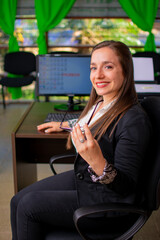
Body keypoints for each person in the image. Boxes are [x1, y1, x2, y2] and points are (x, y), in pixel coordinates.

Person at [10, 40, 152, 240]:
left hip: (110, 202)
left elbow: (126, 187)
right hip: (89, 181)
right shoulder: (104, 103)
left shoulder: (134, 120)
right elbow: (96, 121)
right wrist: (66, 125)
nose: (98, 75)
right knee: (17, 200)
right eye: (94, 67)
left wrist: (97, 161)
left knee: (27, 207)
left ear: (126, 71)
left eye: (108, 67)